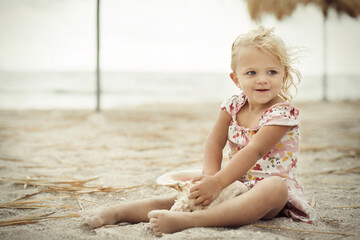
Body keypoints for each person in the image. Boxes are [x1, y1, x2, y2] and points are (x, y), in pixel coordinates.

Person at [80, 26, 316, 236]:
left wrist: (218, 183)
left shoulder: (282, 114)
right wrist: (210, 178)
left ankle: (191, 221)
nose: (262, 80)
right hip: (233, 183)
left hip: (265, 198)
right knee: (177, 198)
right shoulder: (232, 106)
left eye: (272, 72)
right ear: (236, 79)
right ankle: (115, 213)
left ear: (284, 75)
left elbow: (254, 151)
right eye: (251, 73)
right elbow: (214, 142)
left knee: (275, 188)